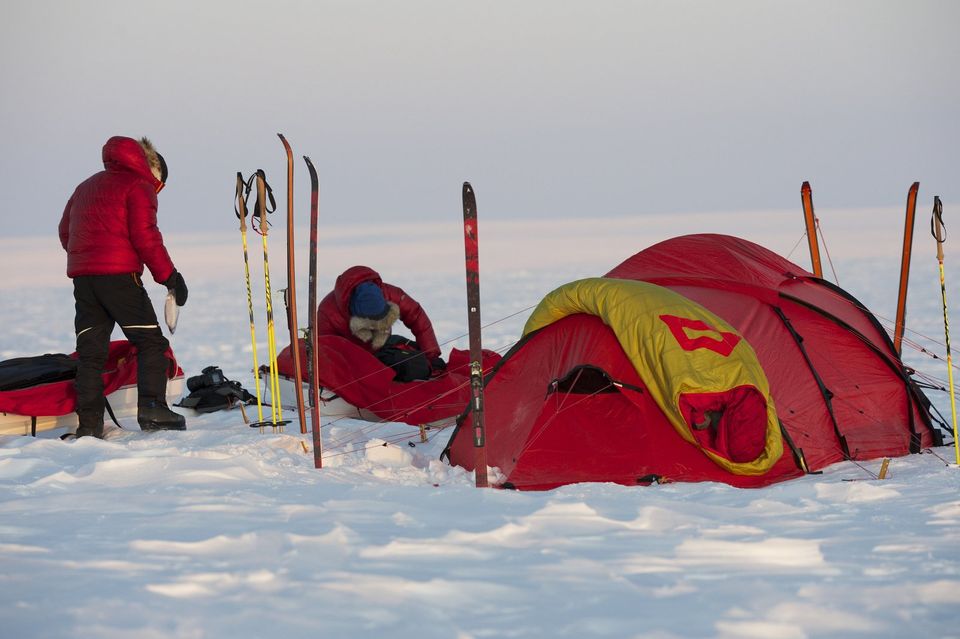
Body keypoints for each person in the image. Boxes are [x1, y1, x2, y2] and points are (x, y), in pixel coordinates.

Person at [58, 136, 189, 438]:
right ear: (152, 170)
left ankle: (88, 426)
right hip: (119, 279)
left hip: (84, 280)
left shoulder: (86, 186)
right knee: (151, 343)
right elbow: (146, 237)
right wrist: (171, 278)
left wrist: (88, 258)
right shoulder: (138, 186)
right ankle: (153, 409)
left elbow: (66, 230)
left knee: (90, 353)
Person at [316, 265, 445, 378]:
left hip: (382, 349)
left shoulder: (390, 294)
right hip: (350, 360)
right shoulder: (327, 313)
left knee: (414, 365)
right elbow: (326, 353)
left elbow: (417, 317)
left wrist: (431, 355)